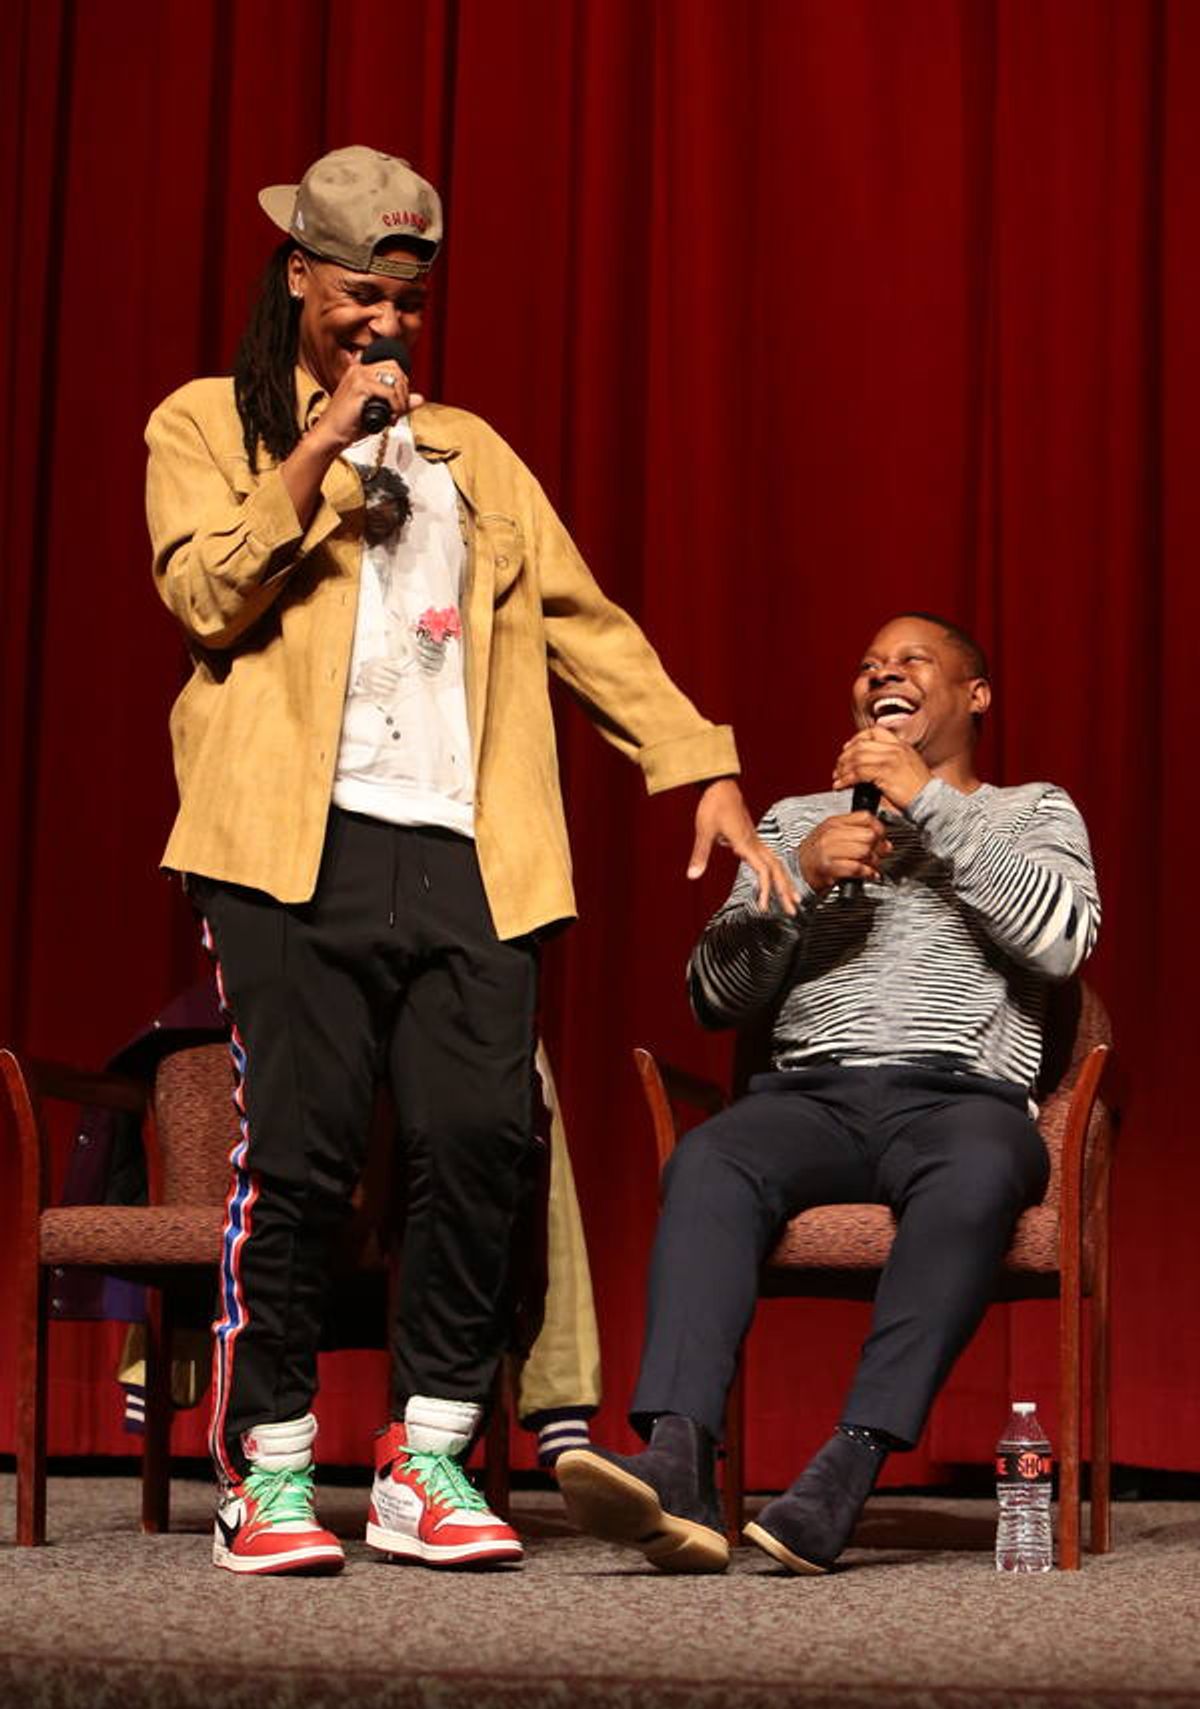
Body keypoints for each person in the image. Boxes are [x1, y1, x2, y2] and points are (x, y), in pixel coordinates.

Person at [145, 145, 790, 1578]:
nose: (387, 325)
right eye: (361, 296)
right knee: (304, 1158)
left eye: (408, 305)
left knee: (483, 1142)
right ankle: (269, 1471)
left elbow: (582, 621)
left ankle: (425, 1455)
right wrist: (322, 448)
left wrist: (702, 763)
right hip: (286, 849)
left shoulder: (471, 457)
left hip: (466, 846)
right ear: (300, 278)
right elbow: (202, 596)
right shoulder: (206, 422)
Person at [557, 612, 1100, 1575]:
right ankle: (678, 1458)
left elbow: (1061, 942)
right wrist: (798, 880)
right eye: (868, 666)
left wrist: (927, 801)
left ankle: (846, 1470)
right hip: (808, 1098)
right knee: (711, 1158)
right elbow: (713, 996)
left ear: (975, 696)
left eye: (912, 662)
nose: (883, 675)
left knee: (979, 1172)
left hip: (961, 1103)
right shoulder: (796, 820)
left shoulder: (1031, 811)